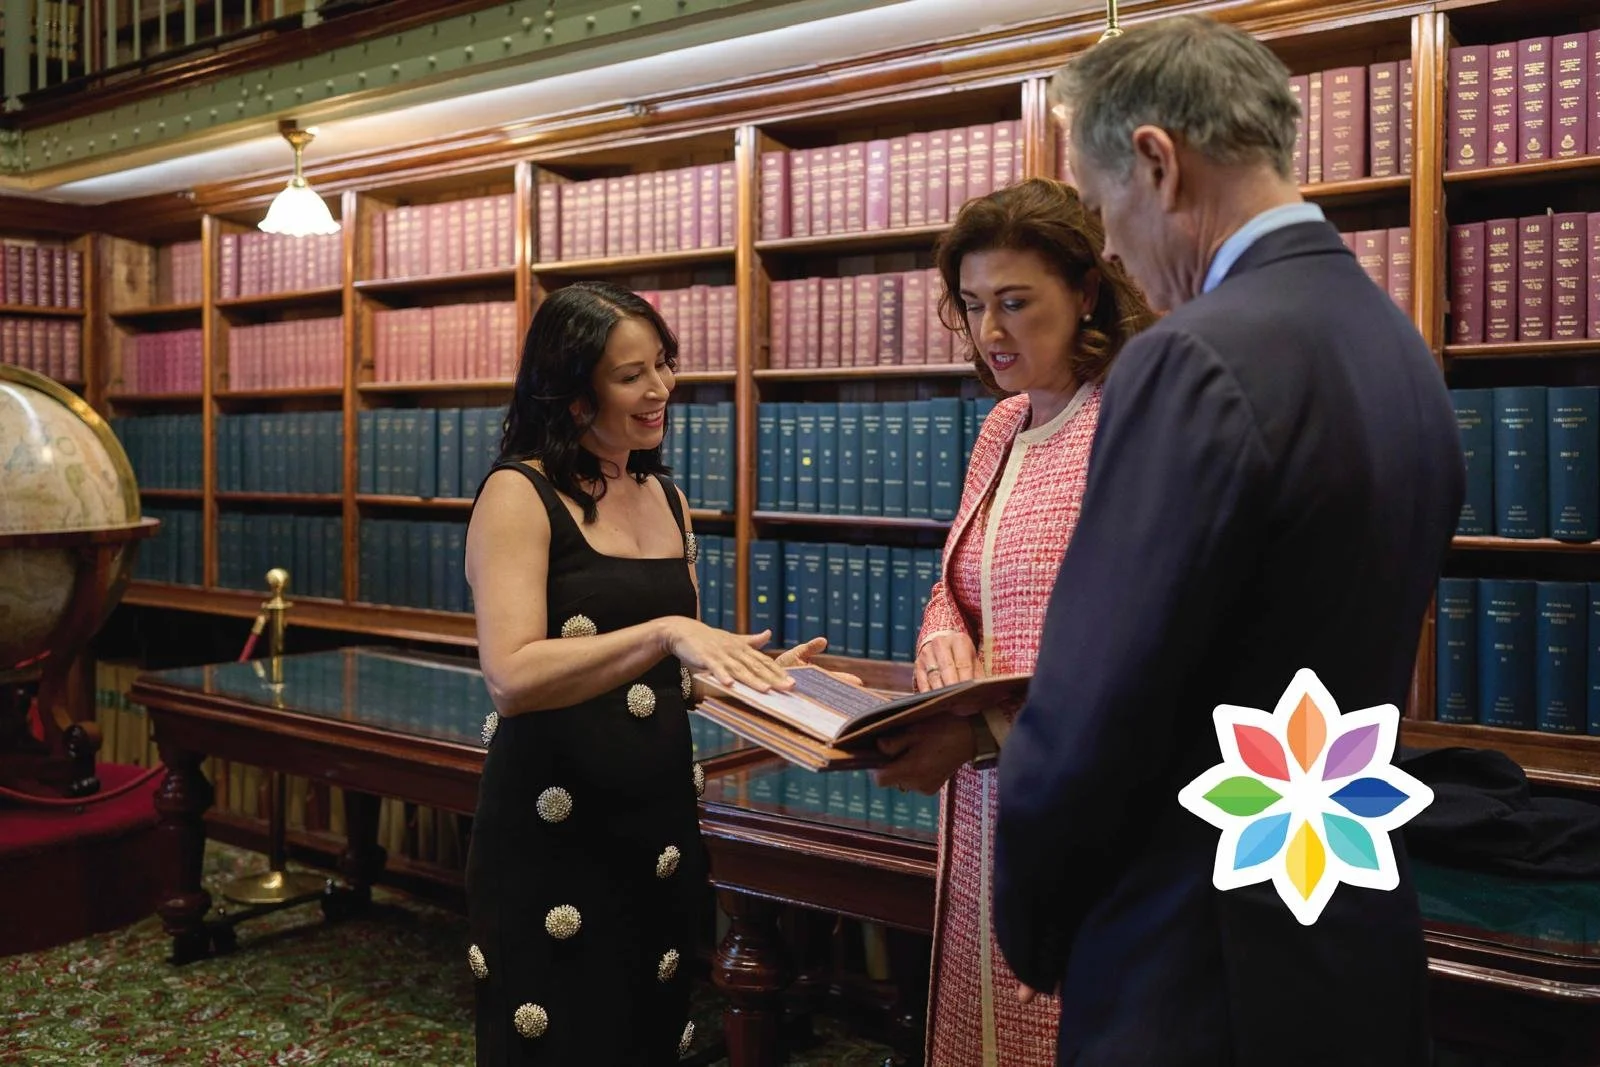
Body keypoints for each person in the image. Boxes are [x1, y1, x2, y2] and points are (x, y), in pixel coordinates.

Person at [991, 15, 1464, 1067]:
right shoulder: (1398, 349)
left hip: (1191, 963)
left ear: (1157, 161)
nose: (1111, 247)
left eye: (1103, 204)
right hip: (1346, 925)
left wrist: (1030, 918)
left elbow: (1095, 701)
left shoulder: (1194, 359)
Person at [463, 280, 814, 1065]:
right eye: (631, 375)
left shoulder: (666, 496)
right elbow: (511, 676)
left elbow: (665, 678)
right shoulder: (518, 494)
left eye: (663, 364)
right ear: (572, 392)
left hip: (655, 824)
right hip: (553, 827)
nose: (660, 389)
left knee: (649, 1032)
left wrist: (756, 677)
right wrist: (667, 631)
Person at [874, 177, 1155, 1066]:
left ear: (1086, 291)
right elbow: (955, 582)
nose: (989, 330)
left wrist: (986, 728)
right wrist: (941, 635)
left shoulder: (1131, 420)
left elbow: (1142, 636)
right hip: (980, 802)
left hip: (1082, 798)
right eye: (971, 305)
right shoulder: (1000, 426)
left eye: (1015, 302)